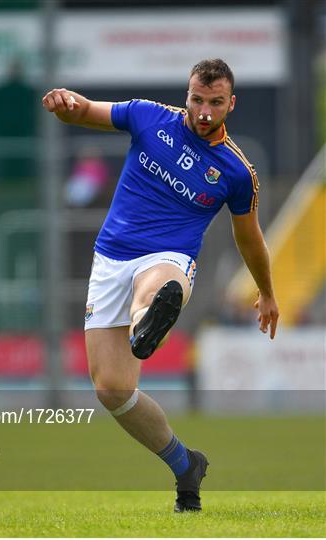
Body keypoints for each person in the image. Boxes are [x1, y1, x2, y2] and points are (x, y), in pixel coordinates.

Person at [42, 59, 279, 513]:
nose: (204, 111)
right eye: (197, 99)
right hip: (111, 258)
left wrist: (266, 291)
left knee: (156, 291)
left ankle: (145, 322)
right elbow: (87, 111)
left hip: (169, 260)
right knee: (111, 390)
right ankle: (184, 463)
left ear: (232, 103)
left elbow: (249, 237)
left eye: (215, 103)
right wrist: (65, 103)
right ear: (186, 94)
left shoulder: (236, 172)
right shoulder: (148, 116)